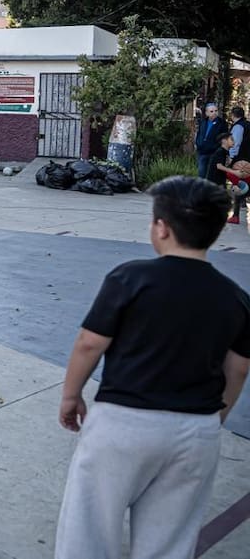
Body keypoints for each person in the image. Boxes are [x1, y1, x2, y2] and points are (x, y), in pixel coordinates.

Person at [53, 175, 250, 559]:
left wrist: (70, 395)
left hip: (124, 421)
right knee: (170, 540)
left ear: (161, 228)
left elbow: (90, 342)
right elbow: (239, 369)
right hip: (197, 430)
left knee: (89, 528)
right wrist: (214, 419)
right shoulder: (236, 297)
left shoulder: (131, 277)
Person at [195, 102, 227, 180]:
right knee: (201, 173)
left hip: (214, 153)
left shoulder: (222, 123)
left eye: (216, 111)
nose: (214, 113)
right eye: (211, 111)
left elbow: (224, 138)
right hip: (202, 151)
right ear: (206, 113)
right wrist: (197, 143)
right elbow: (199, 134)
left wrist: (218, 149)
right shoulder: (203, 122)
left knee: (212, 175)